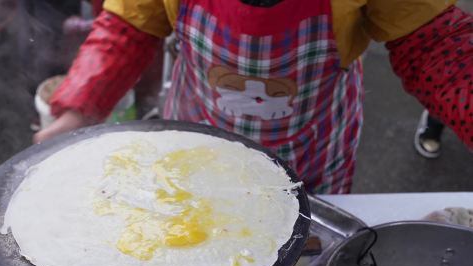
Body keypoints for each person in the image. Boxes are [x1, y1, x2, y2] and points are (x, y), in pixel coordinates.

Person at [35, 0, 473, 194]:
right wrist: (80, 108)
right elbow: (130, 26)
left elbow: (434, 46)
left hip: (312, 148)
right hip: (200, 139)